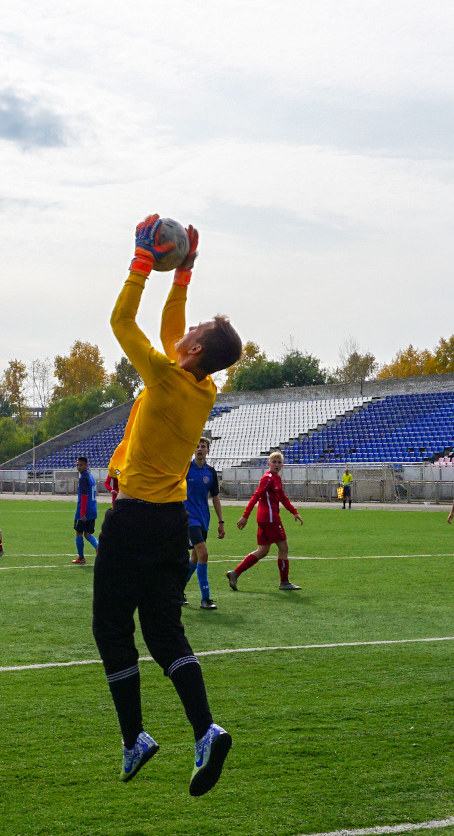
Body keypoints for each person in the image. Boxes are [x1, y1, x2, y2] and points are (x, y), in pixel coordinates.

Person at [99, 214, 243, 796]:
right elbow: (171, 331)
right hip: (172, 524)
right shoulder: (203, 386)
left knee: (112, 629)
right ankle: (204, 728)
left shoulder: (163, 377)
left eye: (194, 330)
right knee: (164, 632)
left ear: (196, 348)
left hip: (134, 519)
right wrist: (182, 274)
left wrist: (141, 263)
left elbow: (121, 321)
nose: (183, 332)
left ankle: (135, 736)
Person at [227, 450, 302, 591]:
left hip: (265, 519)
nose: (277, 464)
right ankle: (284, 582)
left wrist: (294, 512)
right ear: (268, 464)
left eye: (279, 462)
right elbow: (256, 496)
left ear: (283, 465)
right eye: (274, 462)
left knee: (262, 550)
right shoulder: (267, 478)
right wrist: (245, 515)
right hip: (270, 518)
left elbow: (282, 497)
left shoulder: (276, 479)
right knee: (284, 548)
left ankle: (235, 573)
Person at [185, 437, 226, 610]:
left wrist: (221, 521)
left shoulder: (211, 472)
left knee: (195, 557)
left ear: (208, 450)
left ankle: (176, 590)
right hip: (188, 519)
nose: (200, 448)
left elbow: (215, 497)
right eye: (197, 446)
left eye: (203, 446)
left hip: (203, 519)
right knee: (203, 553)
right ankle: (205, 598)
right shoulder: (185, 469)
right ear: (194, 450)